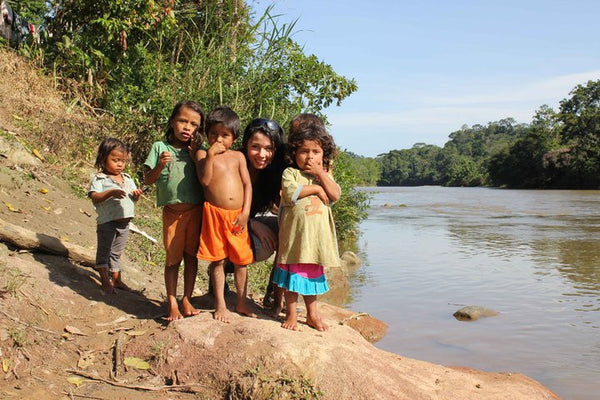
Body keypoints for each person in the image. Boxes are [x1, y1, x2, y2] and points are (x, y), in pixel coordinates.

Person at [273, 116, 341, 331]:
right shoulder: (290, 173)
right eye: (304, 151)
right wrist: (316, 189)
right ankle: (291, 314)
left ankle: (312, 315)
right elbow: (291, 192)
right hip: (295, 238)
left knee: (311, 279)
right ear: (294, 153)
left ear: (324, 154)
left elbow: (336, 194)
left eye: (316, 152)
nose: (310, 157)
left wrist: (321, 175)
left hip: (315, 240)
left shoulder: (325, 174)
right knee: (292, 278)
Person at [143, 100, 205, 322]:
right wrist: (160, 165)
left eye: (194, 124)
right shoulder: (160, 148)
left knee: (191, 257)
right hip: (172, 213)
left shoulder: (197, 152)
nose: (187, 127)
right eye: (182, 121)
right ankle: (172, 303)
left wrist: (198, 155)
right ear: (172, 122)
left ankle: (186, 299)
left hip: (196, 211)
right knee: (172, 260)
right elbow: (147, 179)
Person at [195, 106, 256, 322]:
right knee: (218, 260)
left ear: (234, 137)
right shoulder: (203, 154)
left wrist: (246, 212)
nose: (219, 139)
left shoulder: (238, 156)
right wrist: (210, 156)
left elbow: (247, 185)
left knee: (241, 261)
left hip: (237, 216)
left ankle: (241, 300)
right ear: (207, 134)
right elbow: (205, 180)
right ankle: (220, 304)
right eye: (214, 134)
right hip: (214, 214)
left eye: (225, 135)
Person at [240, 118, 286, 315]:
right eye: (255, 147)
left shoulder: (275, 173)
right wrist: (252, 224)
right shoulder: (233, 164)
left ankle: (275, 294)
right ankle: (219, 277)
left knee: (286, 230)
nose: (262, 154)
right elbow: (217, 207)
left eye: (268, 148)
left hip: (245, 224)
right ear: (245, 145)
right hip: (226, 225)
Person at [88, 137, 143, 294]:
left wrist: (137, 194)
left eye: (123, 161)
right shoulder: (100, 179)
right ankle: (105, 281)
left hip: (125, 224)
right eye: (115, 160)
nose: (120, 164)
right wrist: (110, 192)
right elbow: (95, 197)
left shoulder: (127, 178)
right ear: (103, 159)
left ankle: (117, 280)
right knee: (104, 252)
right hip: (107, 222)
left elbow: (133, 198)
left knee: (116, 253)